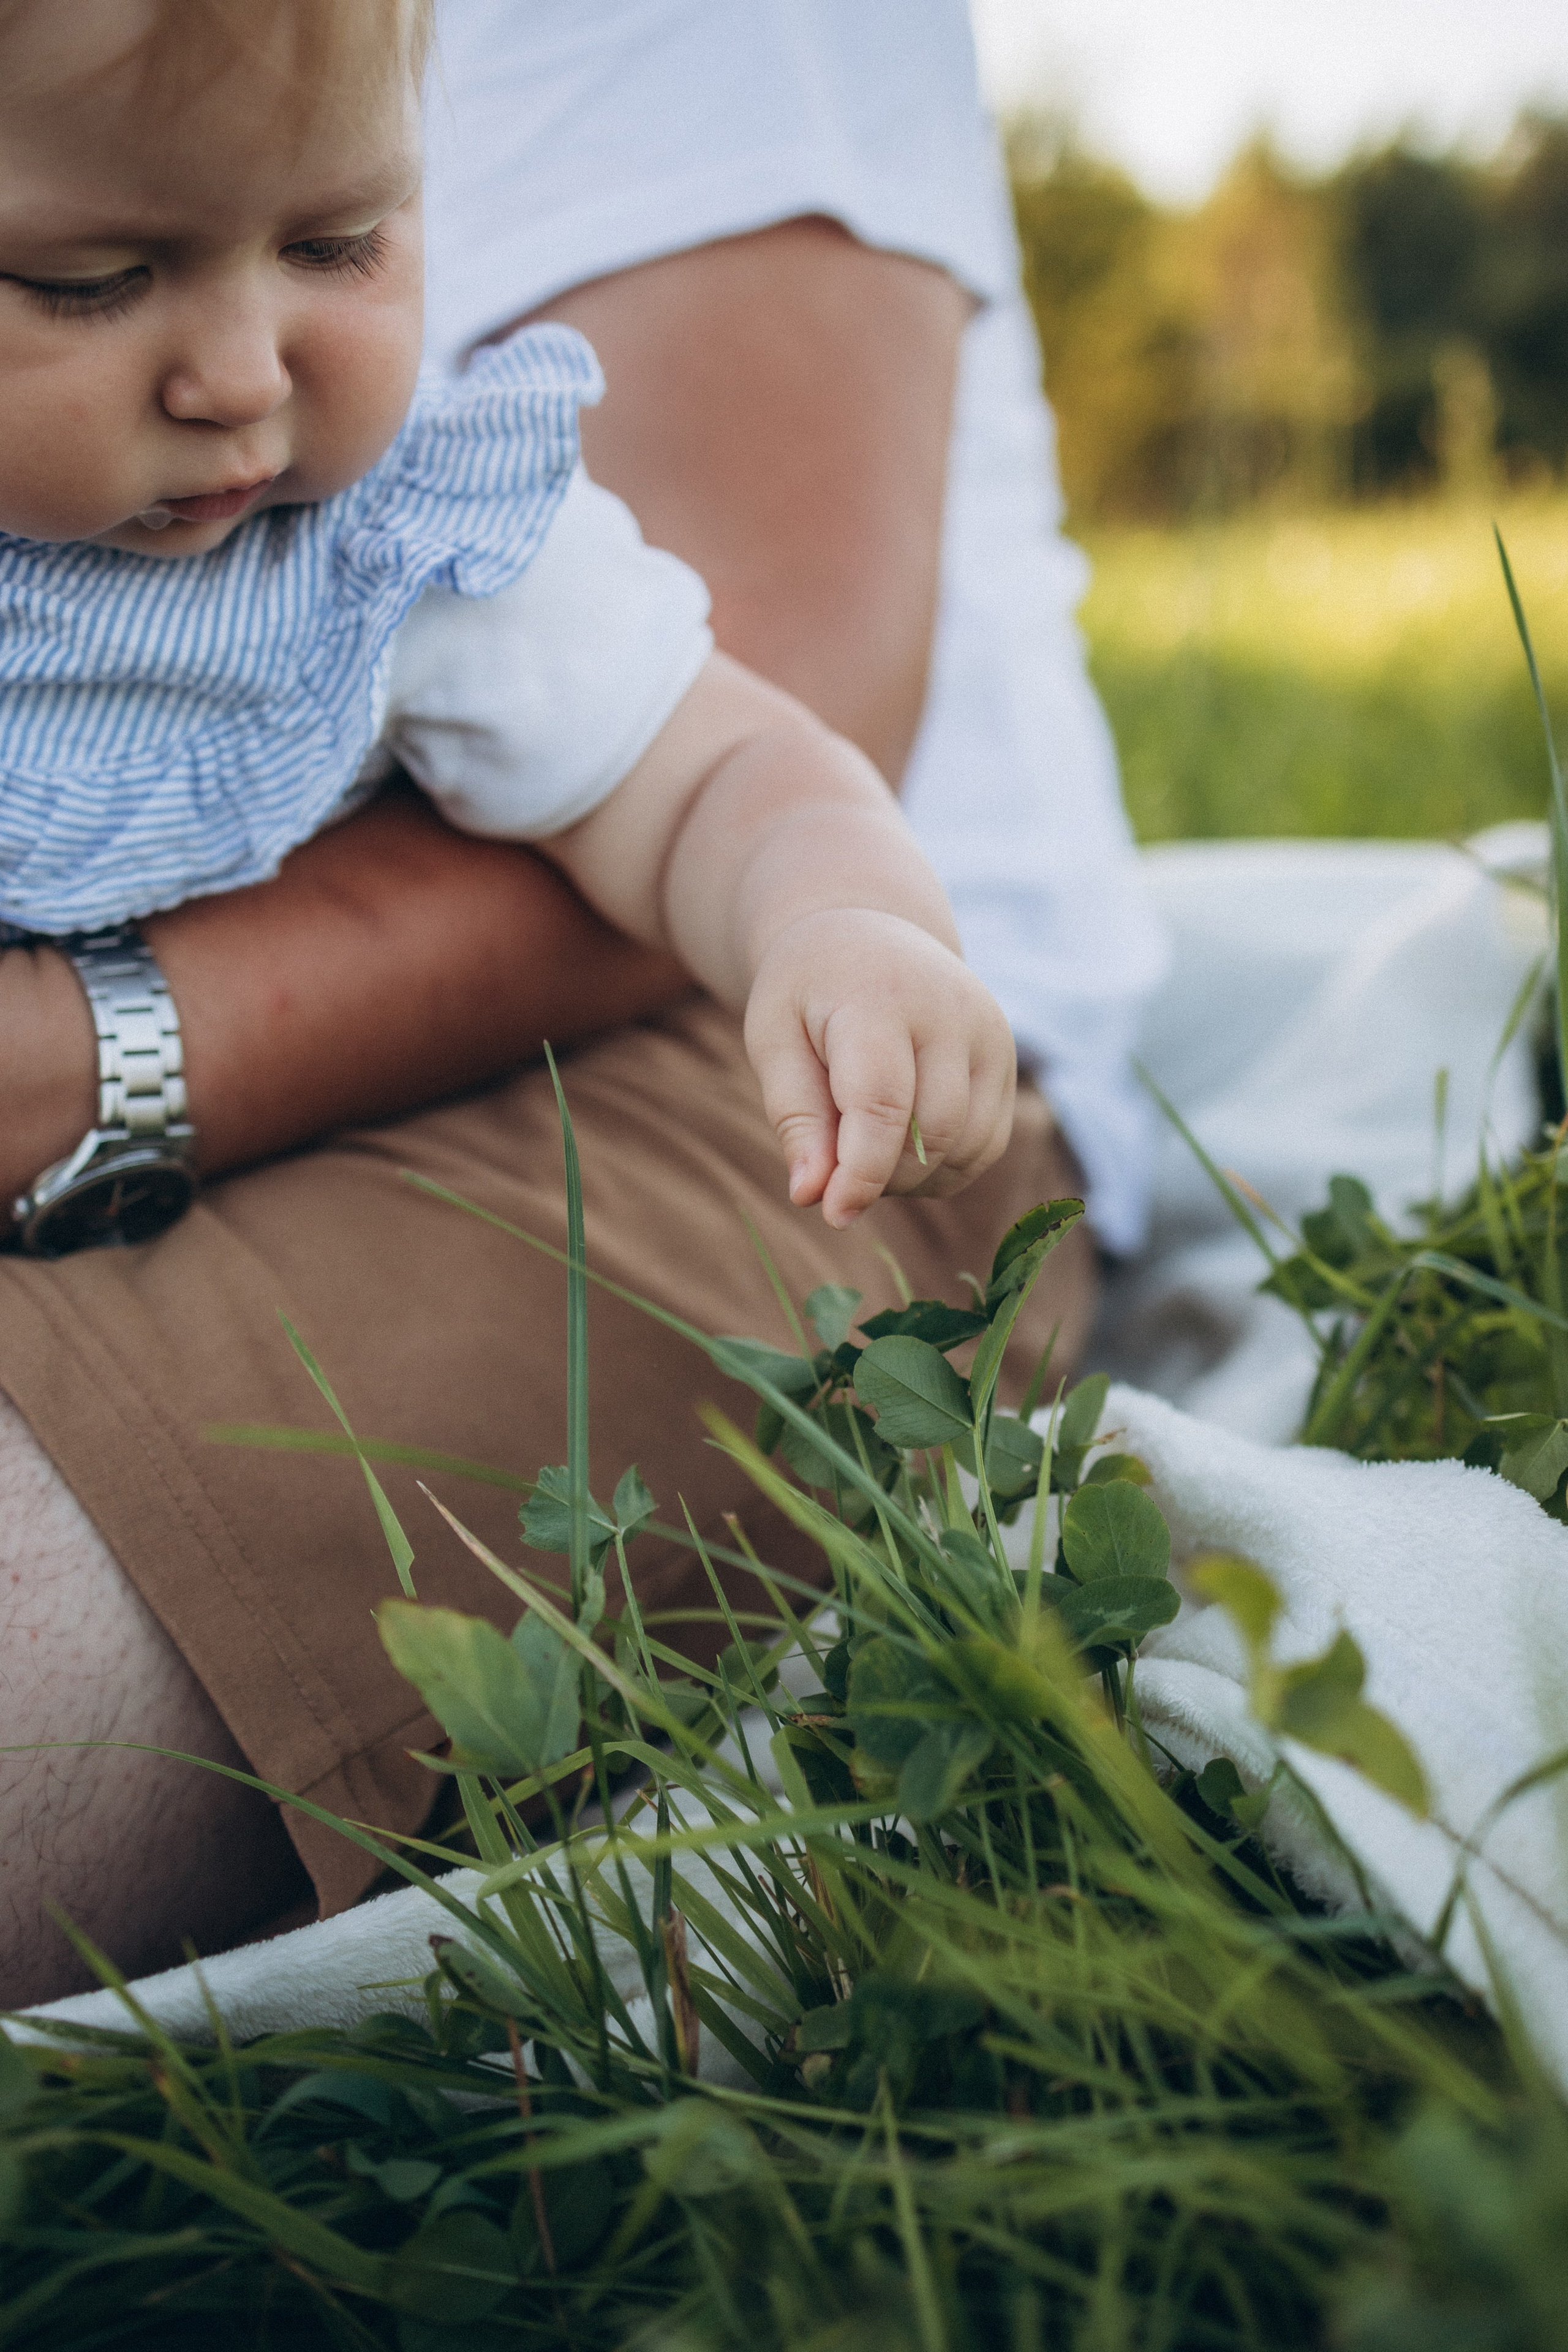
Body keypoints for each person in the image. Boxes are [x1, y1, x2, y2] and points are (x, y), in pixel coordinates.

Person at [0, 0, 1152, 2006]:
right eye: (93, 281)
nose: (245, 371)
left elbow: (720, 761)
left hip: (533, 1079)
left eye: (342, 245)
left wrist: (836, 921)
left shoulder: (414, 553)